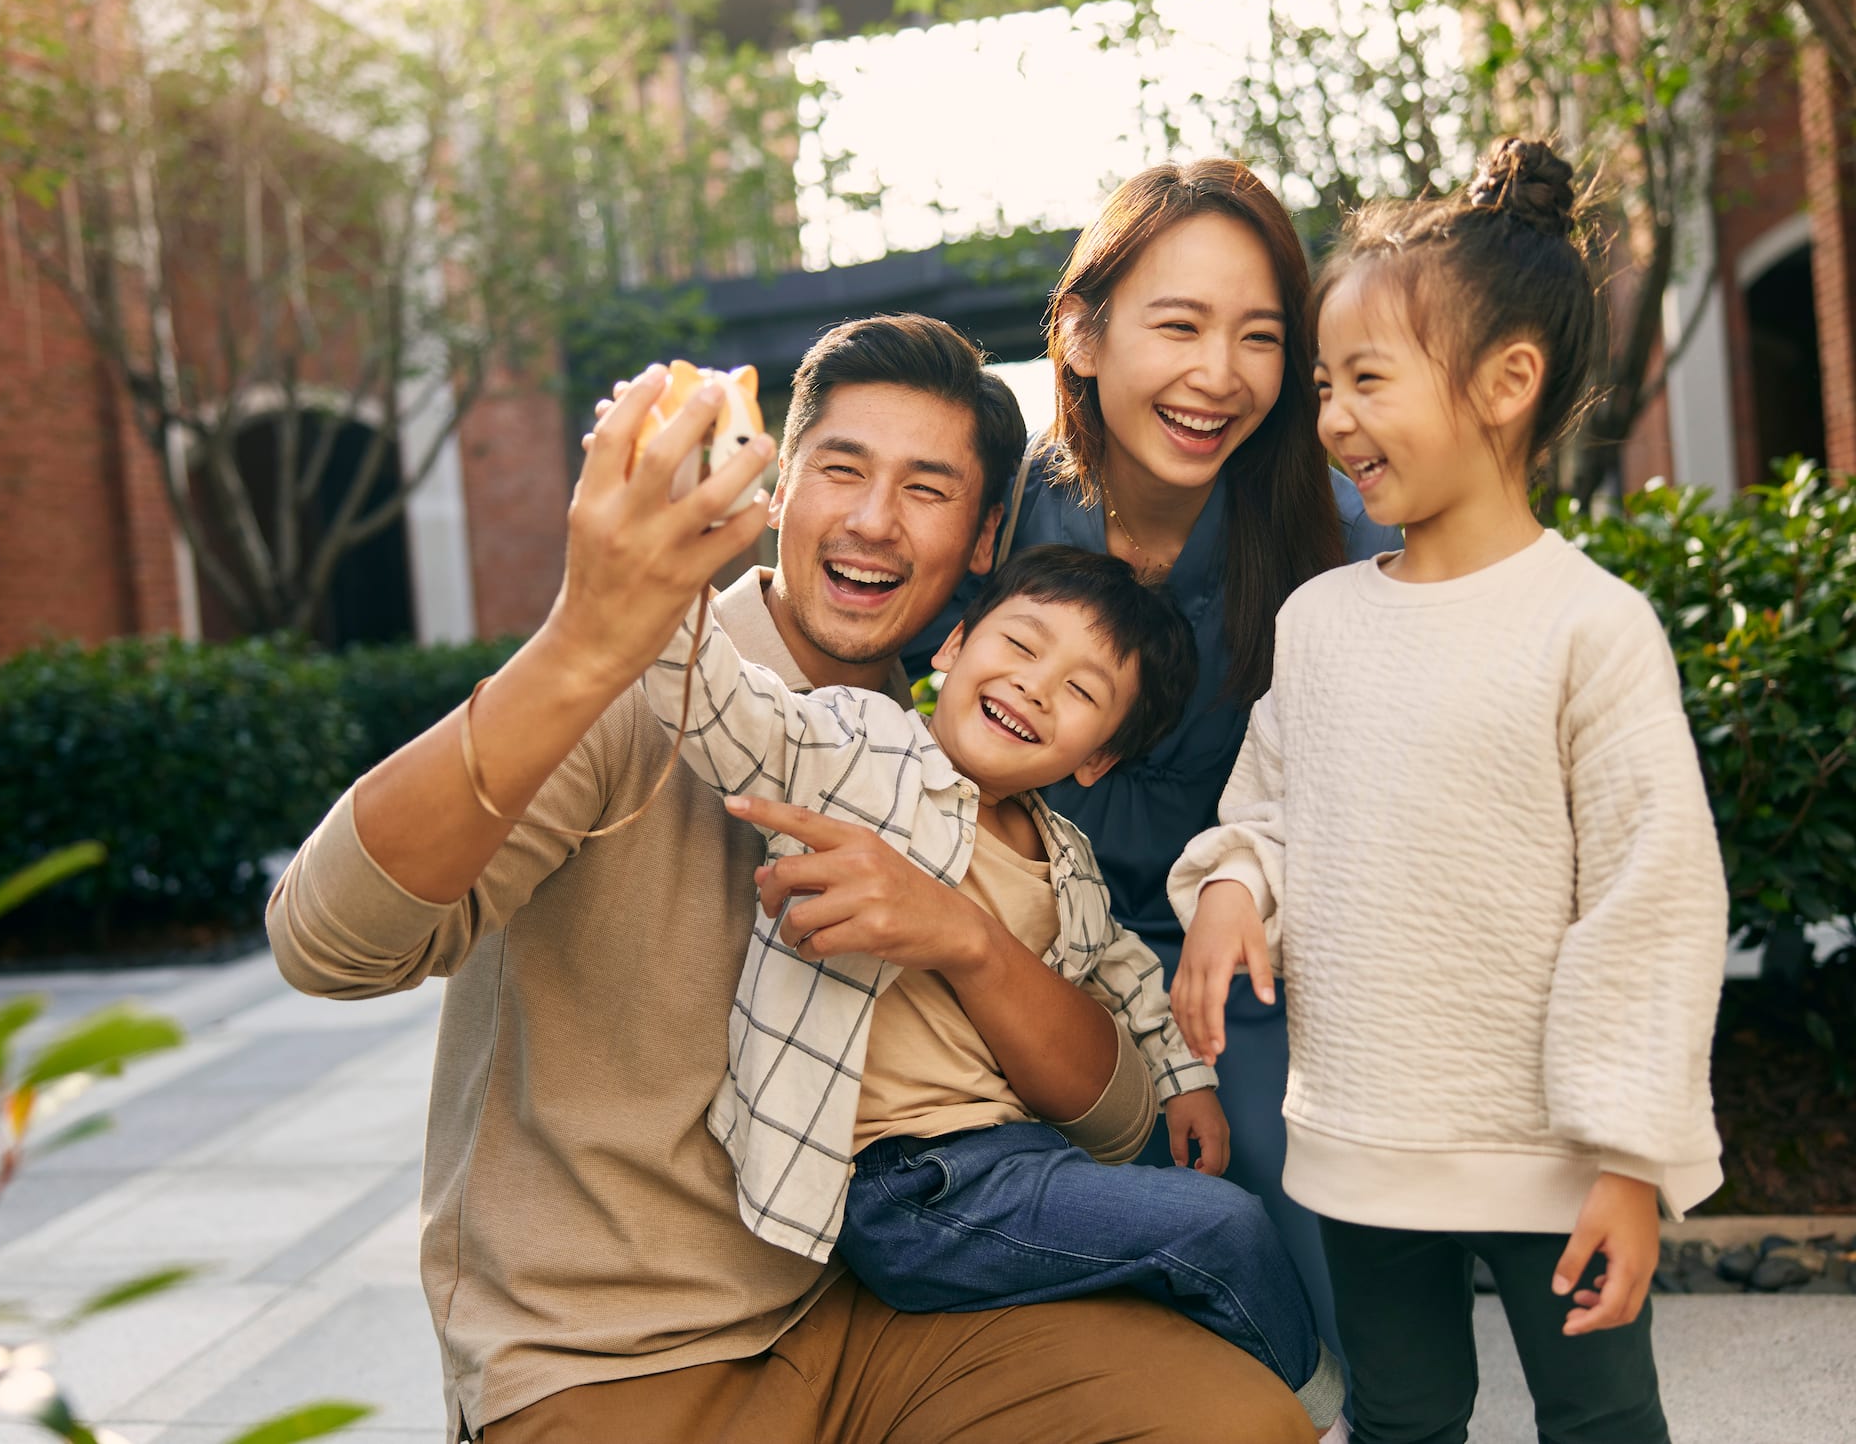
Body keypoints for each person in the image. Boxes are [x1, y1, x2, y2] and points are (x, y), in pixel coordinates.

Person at [266, 313, 1318, 1443]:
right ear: (778, 491)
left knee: (1233, 1421)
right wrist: (581, 644)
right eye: (840, 469)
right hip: (607, 1358)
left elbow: (1111, 1126)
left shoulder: (965, 765)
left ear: (980, 540)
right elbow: (326, 944)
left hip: (868, 1317)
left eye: (925, 488)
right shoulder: (638, 695)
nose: (871, 519)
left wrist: (962, 936)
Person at [1168, 138, 1727, 1444]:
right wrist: (1236, 890)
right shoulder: (1319, 625)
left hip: (1557, 1154)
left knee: (1599, 1419)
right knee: (1403, 1420)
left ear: (1507, 383)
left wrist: (1632, 1160)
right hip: (1366, 1137)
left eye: (1366, 380)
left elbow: (1653, 899)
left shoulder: (1592, 627)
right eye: (1324, 386)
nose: (1332, 420)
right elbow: (1272, 811)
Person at [638, 544, 1345, 1436]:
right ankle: (1322, 1421)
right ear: (954, 645)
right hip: (907, 1187)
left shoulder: (1070, 866)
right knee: (1223, 1231)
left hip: (1019, 1163)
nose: (1036, 687)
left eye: (1084, 692)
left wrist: (1186, 1083)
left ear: (1100, 759)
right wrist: (659, 576)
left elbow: (1123, 970)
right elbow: (726, 712)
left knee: (1185, 1269)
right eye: (1020, 644)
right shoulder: (860, 745)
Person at [908, 161, 1398, 1362]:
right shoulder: (994, 516)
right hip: (998, 924)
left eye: (1258, 337)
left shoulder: (1337, 536)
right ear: (1079, 331)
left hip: (1231, 956)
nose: (1215, 375)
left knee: (1282, 1153)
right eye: (1176, 325)